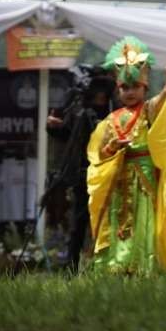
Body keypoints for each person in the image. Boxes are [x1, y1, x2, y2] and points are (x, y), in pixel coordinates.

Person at [85, 37, 166, 274]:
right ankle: (117, 264)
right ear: (117, 89)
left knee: (144, 219)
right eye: (125, 87)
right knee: (117, 220)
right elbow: (99, 153)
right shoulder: (111, 120)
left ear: (145, 87)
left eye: (135, 87)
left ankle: (143, 264)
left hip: (144, 178)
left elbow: (164, 106)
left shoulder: (149, 109)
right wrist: (113, 145)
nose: (130, 92)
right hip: (118, 177)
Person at [47, 64, 114, 272]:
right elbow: (67, 136)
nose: (99, 94)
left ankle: (110, 263)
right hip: (82, 172)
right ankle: (72, 265)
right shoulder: (79, 110)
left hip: (110, 170)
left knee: (109, 219)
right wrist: (52, 127)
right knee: (79, 219)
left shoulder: (116, 108)